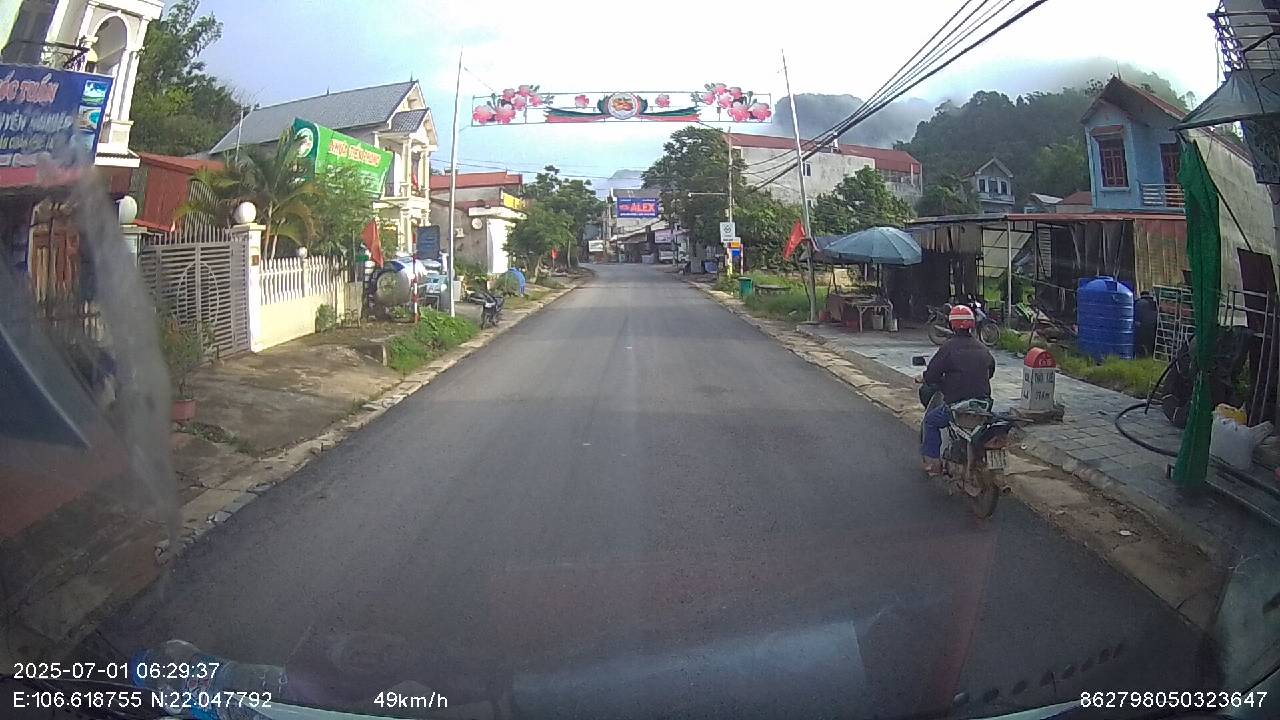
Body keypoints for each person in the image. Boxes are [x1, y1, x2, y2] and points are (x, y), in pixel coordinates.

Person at [918, 305, 996, 474]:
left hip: (957, 406)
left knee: (930, 421)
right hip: (983, 405)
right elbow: (991, 371)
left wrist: (927, 378)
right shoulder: (983, 348)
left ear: (952, 325)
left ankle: (933, 463)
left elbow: (932, 375)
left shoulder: (948, 348)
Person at [1134, 290, 1157, 357]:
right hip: (1153, 328)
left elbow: (1136, 316)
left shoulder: (1138, 303)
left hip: (1141, 328)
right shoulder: (1154, 303)